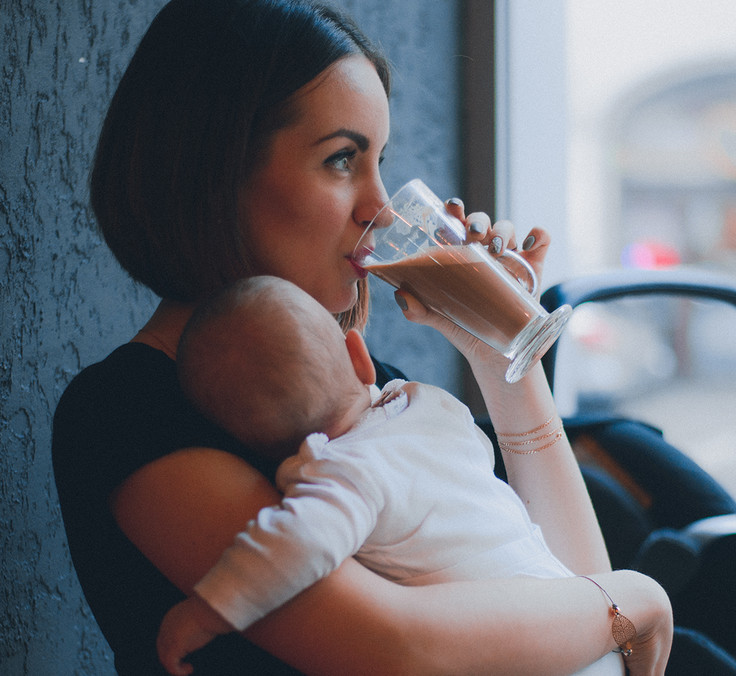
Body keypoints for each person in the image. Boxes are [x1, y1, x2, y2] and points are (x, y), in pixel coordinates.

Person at [52, 0, 671, 673]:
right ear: (216, 170)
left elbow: (563, 596)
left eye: (380, 159)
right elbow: (396, 649)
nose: (380, 206)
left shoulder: (356, 382)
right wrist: (632, 600)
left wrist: (501, 359)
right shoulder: (128, 410)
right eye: (342, 159)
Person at [154, 274, 623, 676]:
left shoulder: (342, 475)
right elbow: (478, 457)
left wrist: (208, 612)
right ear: (359, 357)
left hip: (527, 654)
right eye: (339, 162)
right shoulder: (427, 404)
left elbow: (299, 542)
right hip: (577, 623)